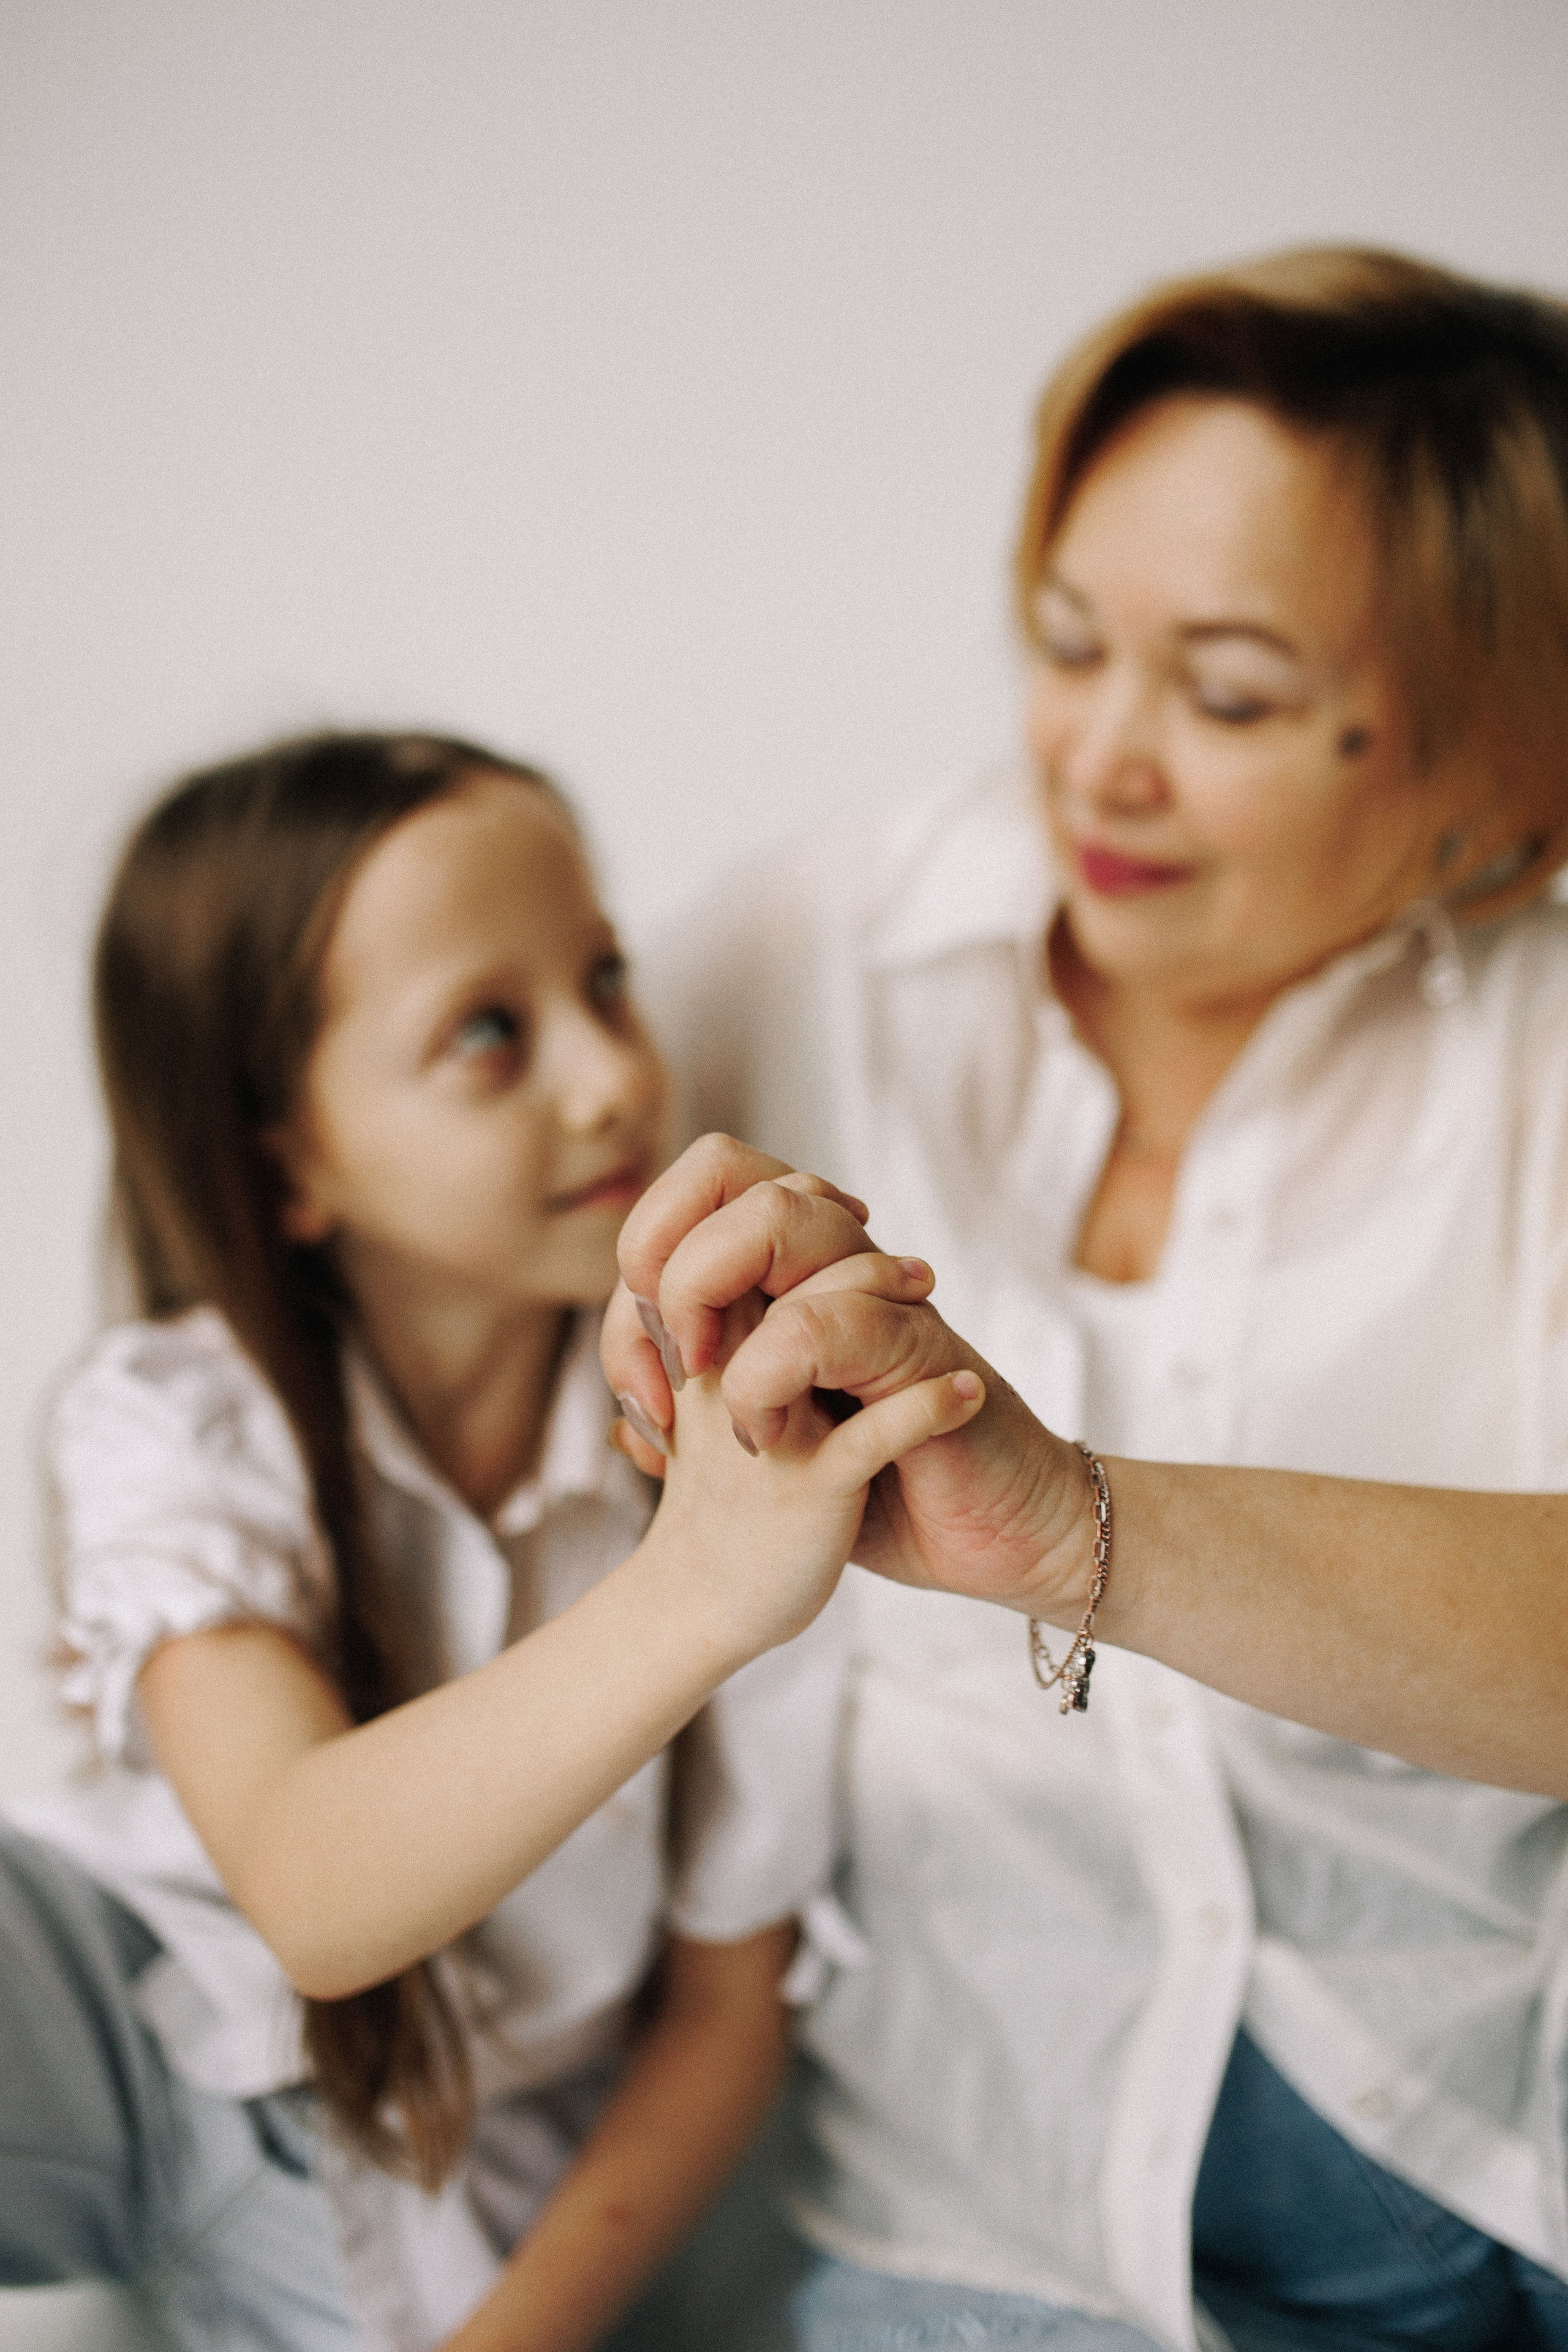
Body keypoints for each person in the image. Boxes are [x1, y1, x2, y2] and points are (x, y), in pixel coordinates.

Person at [607, 250, 1568, 2351]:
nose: (1101, 763)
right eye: (1067, 643)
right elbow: (353, 1197)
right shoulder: (818, 943)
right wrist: (579, 1292)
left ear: (1499, 759)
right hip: (1000, 2216)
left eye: (1226, 696)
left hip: (1504, 2146)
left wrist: (1083, 1530)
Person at [0, 732, 980, 2352]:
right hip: (142, 2043)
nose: (610, 1076)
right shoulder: (174, 1412)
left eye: (606, 981)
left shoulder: (737, 1419)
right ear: (286, 1159)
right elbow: (310, 1893)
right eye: (489, 1034)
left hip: (467, 2171)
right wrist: (699, 1587)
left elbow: (725, 2014)